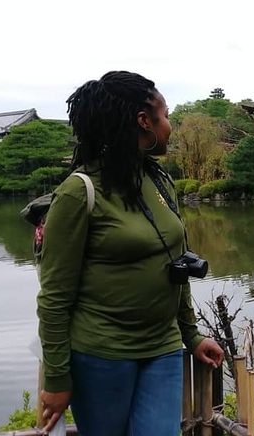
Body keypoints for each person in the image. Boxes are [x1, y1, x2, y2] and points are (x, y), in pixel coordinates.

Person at [36, 70, 225, 436]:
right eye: (166, 115)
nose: (170, 126)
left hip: (163, 348)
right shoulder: (80, 192)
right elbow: (55, 299)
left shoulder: (158, 181)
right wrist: (58, 377)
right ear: (144, 121)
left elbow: (176, 264)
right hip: (100, 354)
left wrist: (191, 334)